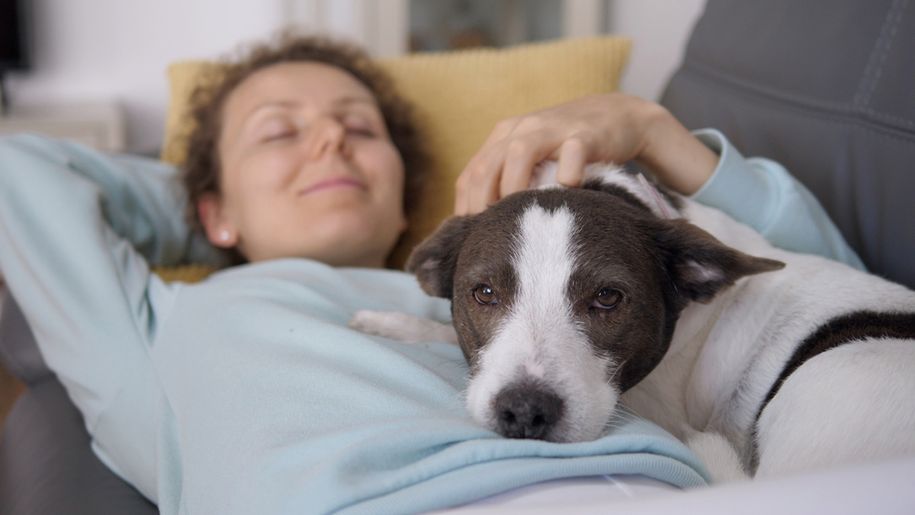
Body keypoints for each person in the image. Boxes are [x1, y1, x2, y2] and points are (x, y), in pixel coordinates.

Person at [0, 34, 862, 514]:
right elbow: (20, 176)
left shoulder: (501, 285)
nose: (330, 140)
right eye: (279, 132)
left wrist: (648, 128)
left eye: (357, 128)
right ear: (213, 209)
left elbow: (814, 280)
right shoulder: (161, 324)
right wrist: (196, 204)